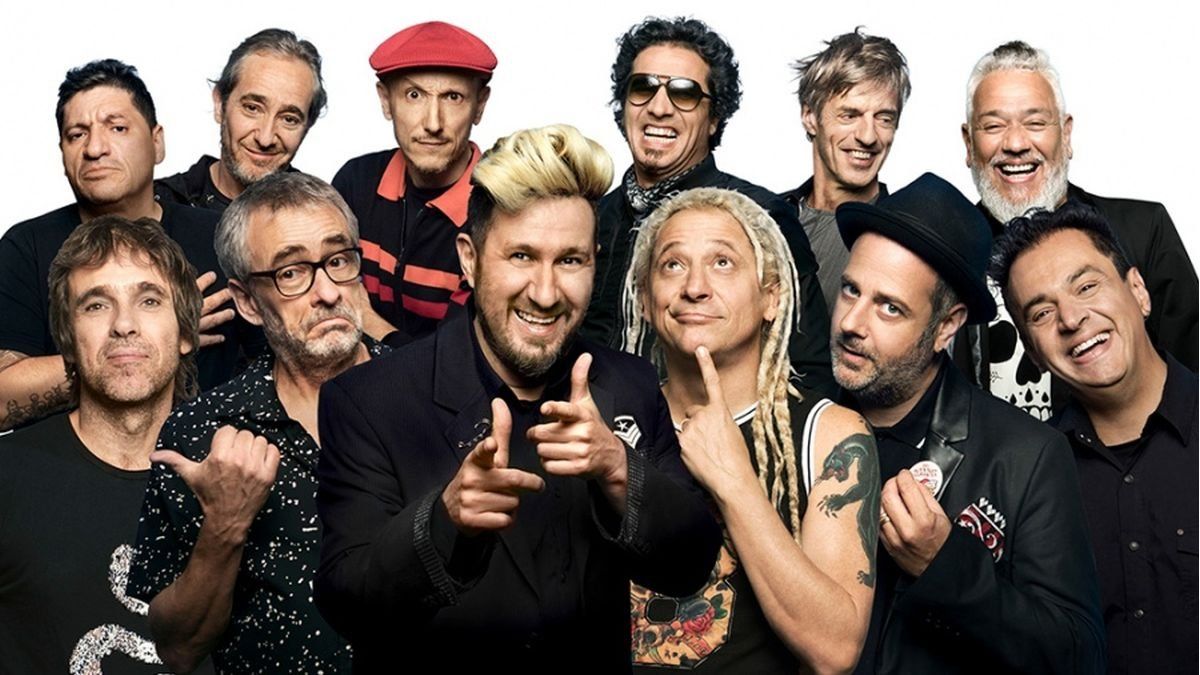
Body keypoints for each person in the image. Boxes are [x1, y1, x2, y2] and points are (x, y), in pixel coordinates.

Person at [315, 125, 721, 672]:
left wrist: (619, 469)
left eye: (570, 261)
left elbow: (690, 565)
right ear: (470, 258)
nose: (546, 293)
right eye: (522, 256)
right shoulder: (369, 400)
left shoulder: (630, 384)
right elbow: (347, 604)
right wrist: (444, 520)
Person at [830, 173, 1105, 673]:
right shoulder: (797, 423)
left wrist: (946, 565)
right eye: (851, 291)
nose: (851, 323)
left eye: (889, 308)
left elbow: (1076, 655)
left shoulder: (1026, 456)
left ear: (946, 326)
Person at [128, 173, 385, 674]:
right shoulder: (200, 432)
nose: (327, 292)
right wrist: (225, 522)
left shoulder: (432, 397)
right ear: (246, 301)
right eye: (291, 272)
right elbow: (179, 649)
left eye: (338, 261)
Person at [623, 187, 878, 673]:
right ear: (644, 299)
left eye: (722, 263)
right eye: (672, 265)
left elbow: (835, 650)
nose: (694, 287)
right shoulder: (610, 421)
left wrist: (734, 481)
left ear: (771, 297)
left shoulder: (829, 436)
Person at [990, 203, 1198, 675]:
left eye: (1086, 287)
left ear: (1139, 291)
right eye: (1042, 312)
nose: (1071, 318)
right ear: (1032, 353)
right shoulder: (1027, 479)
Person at [583, 16, 834, 397]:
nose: (659, 107)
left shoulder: (759, 217)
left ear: (714, 118)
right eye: (643, 87)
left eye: (684, 93)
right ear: (624, 104)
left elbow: (810, 371)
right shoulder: (591, 218)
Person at [0, 59, 251, 431]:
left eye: (117, 128)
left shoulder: (223, 236)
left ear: (156, 142)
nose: (94, 148)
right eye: (76, 135)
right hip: (64, 461)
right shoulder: (26, 247)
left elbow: (282, 368)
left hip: (210, 457)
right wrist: (155, 341)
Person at [0, 215, 201, 673]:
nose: (123, 325)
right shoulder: (8, 478)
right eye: (95, 305)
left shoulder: (238, 476)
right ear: (68, 342)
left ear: (186, 333)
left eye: (149, 300)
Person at [959, 40, 1197, 417]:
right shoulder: (945, 250)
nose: (1016, 143)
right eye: (993, 126)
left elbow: (1191, 379)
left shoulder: (1143, 231)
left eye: (1035, 123)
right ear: (969, 144)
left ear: (1066, 134)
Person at [333, 21, 495, 345]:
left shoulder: (497, 211)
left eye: (453, 97)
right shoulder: (355, 182)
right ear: (385, 100)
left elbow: (455, 359)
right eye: (414, 95)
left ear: (479, 105)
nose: (433, 123)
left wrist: (366, 318)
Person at [782, 29, 910, 312]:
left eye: (884, 118)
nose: (868, 136)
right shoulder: (766, 216)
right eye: (850, 115)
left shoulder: (905, 240)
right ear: (810, 117)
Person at [155, 28, 326, 211]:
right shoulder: (158, 205)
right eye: (252, 108)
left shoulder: (321, 215)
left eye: (289, 119)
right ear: (220, 104)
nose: (265, 139)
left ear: (308, 125)